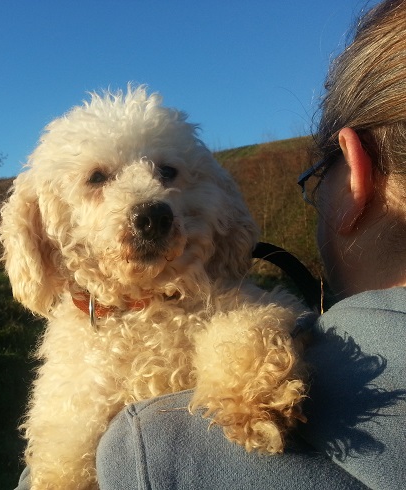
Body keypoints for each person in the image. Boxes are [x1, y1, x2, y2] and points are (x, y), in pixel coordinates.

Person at [96, 1, 406, 488]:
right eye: (98, 178)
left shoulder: (149, 455)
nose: (148, 201)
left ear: (355, 176)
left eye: (168, 172)